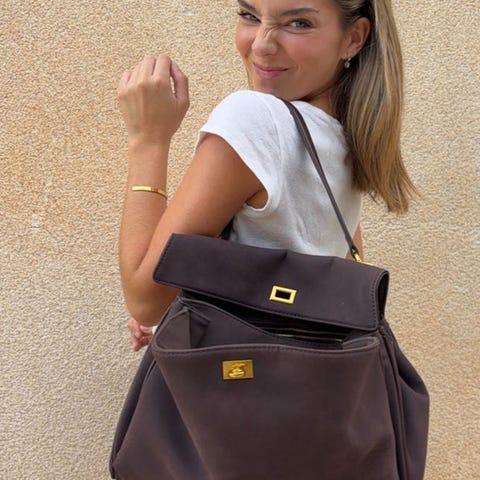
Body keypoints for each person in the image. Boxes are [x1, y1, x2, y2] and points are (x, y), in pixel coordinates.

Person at [117, 0, 416, 351]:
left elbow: (145, 300)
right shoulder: (344, 140)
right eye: (249, 16)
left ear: (353, 38)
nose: (261, 45)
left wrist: (148, 140)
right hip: (303, 382)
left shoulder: (255, 119)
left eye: (298, 23)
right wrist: (185, 307)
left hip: (236, 383)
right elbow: (321, 295)